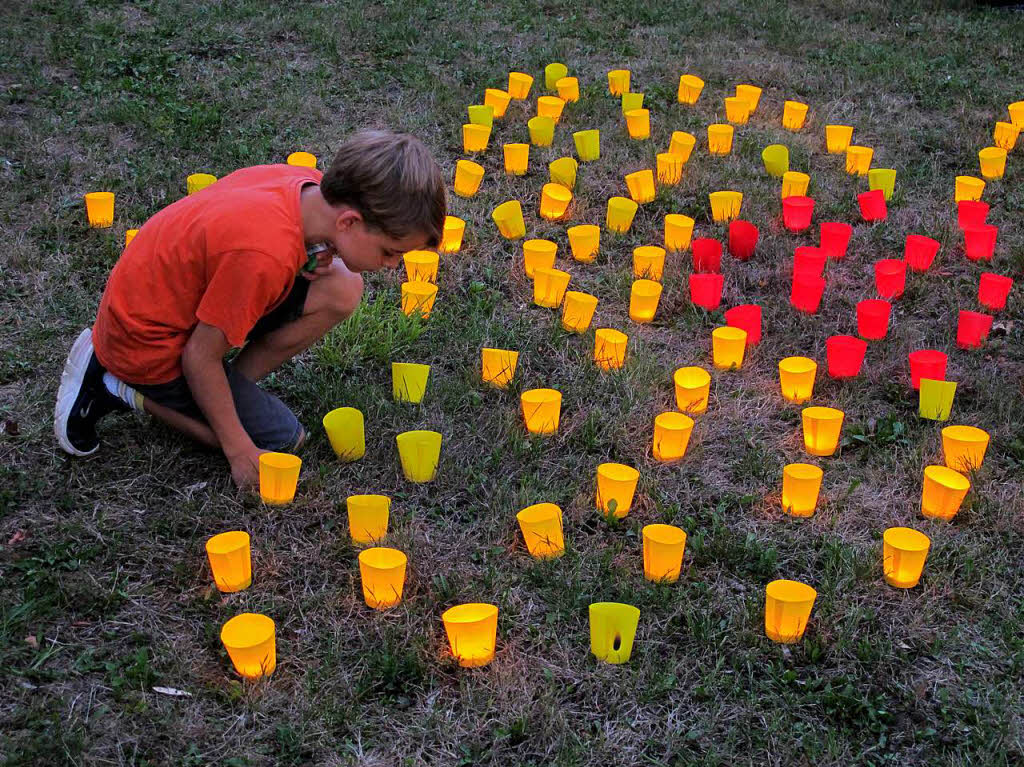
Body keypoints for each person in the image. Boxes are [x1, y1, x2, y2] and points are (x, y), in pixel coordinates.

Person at [54, 130, 446, 486]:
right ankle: (111, 383)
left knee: (342, 287)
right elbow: (198, 357)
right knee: (276, 440)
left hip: (179, 303)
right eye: (390, 252)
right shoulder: (263, 255)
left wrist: (311, 255)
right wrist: (238, 448)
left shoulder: (304, 186)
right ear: (348, 221)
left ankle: (226, 392)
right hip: (146, 343)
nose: (393, 265)